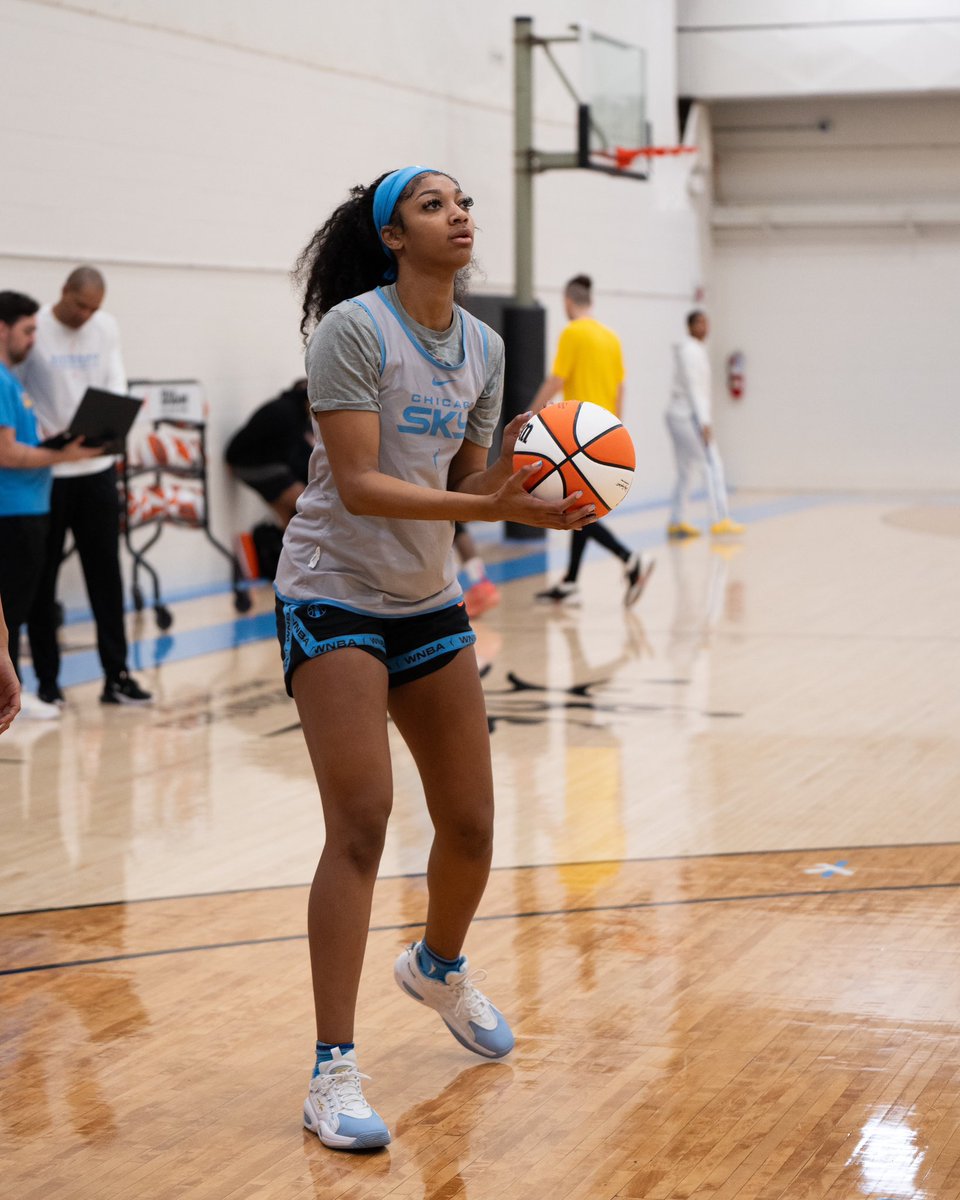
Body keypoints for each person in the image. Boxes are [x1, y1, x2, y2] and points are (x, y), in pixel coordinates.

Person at [276, 166, 596, 1152]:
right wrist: (491, 505)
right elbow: (365, 486)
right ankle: (333, 1070)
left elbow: (465, 479)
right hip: (332, 588)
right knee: (363, 824)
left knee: (471, 823)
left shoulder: (486, 345)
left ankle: (439, 966)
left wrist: (529, 472)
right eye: (433, 205)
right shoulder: (355, 333)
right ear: (393, 237)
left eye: (462, 203)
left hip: (425, 599)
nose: (459, 216)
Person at [17, 266, 153, 706]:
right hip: (49, 473)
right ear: (63, 294)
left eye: (94, 308)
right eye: (80, 306)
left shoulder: (104, 327)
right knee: (42, 582)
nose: (86, 315)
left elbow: (114, 380)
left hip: (94, 469)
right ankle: (48, 684)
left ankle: (116, 675)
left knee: (106, 577)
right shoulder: (36, 330)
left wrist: (110, 426)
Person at [0, 290, 100, 722]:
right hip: (14, 511)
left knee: (22, 606)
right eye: (28, 330)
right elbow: (6, 453)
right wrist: (67, 456)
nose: (33, 340)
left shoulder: (12, 380)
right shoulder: (1, 381)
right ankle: (12, 689)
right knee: (13, 611)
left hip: (27, 507)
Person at [530, 274, 653, 606]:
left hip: (575, 436)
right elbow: (621, 388)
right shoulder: (611, 338)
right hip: (605, 435)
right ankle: (570, 582)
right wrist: (617, 431)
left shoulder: (573, 332)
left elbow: (558, 378)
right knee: (582, 507)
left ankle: (629, 558)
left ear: (569, 301)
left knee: (575, 511)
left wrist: (533, 412)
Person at [665, 310, 744, 539]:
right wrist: (704, 422)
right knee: (712, 464)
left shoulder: (695, 350)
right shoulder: (690, 351)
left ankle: (676, 521)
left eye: (706, 322)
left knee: (684, 470)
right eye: (699, 323)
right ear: (689, 327)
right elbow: (694, 389)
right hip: (687, 417)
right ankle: (719, 519)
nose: (704, 327)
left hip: (680, 416)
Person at [225, 378, 315, 528]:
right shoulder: (287, 414)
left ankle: (288, 548)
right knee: (309, 505)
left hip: (265, 463)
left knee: (293, 517)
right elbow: (293, 458)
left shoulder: (297, 414)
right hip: (248, 464)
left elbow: (300, 455)